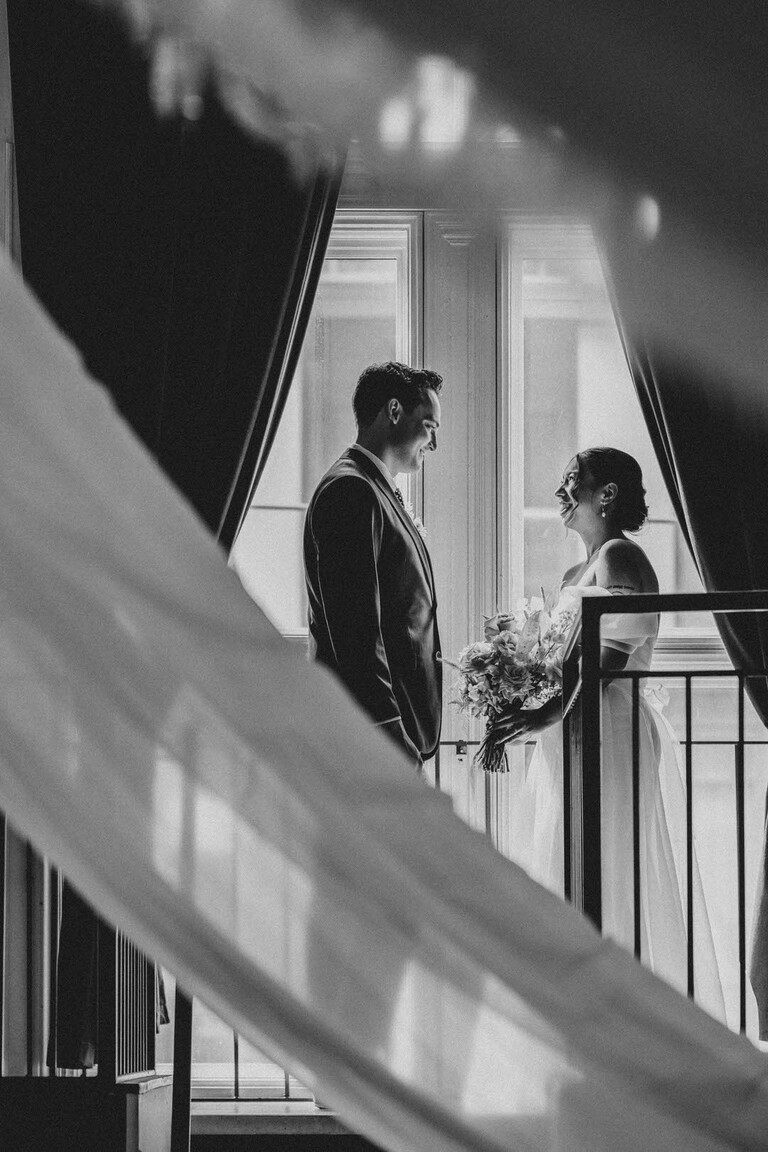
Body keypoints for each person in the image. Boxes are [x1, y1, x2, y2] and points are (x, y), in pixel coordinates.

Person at [495, 447, 724, 1013]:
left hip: (610, 731)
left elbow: (611, 661)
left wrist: (545, 711)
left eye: (572, 480)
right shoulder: (577, 572)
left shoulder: (623, 557)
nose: (559, 492)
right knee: (563, 864)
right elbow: (561, 663)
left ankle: (611, 1015)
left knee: (607, 866)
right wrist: (523, 693)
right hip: (567, 734)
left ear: (608, 494)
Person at [303, 360, 443, 769]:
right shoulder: (351, 490)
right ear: (394, 412)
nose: (433, 444)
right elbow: (355, 631)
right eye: (430, 427)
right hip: (370, 738)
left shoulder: (372, 486)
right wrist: (390, 733)